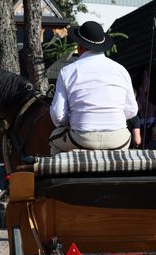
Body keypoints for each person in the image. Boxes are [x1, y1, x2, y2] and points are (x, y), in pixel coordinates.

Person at [49, 21, 138, 155]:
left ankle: (58, 175)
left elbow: (58, 116)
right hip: (118, 140)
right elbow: (132, 111)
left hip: (83, 138)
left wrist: (77, 119)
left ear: (80, 47)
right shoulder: (121, 70)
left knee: (53, 139)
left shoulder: (67, 71)